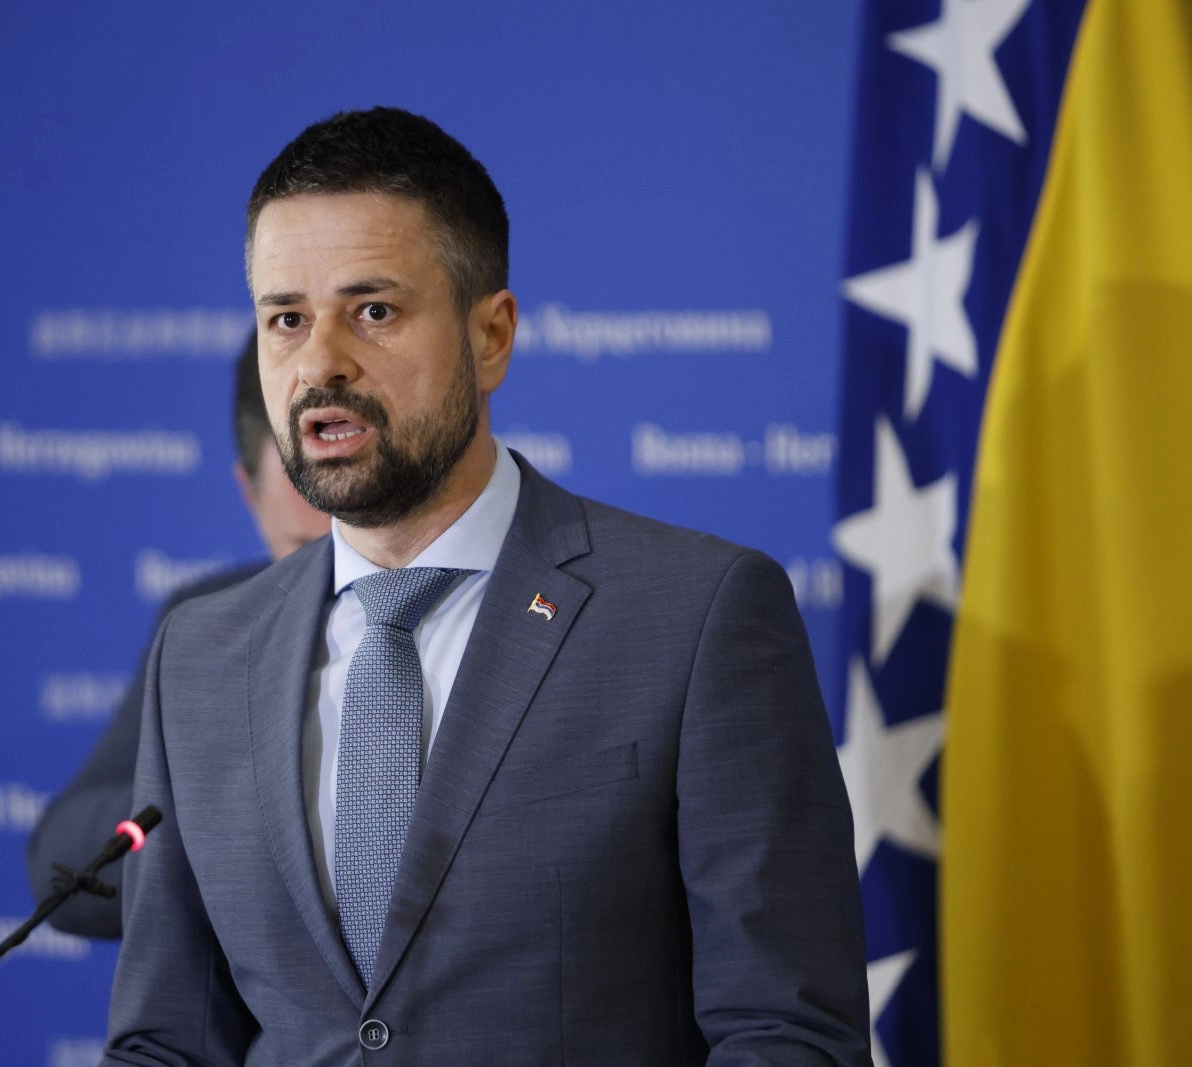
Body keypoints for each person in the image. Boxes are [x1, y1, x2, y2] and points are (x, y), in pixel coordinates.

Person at [103, 107, 870, 1065]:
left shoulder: (696, 617)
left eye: (373, 311)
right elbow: (167, 1043)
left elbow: (787, 1033)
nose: (321, 362)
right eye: (286, 319)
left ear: (493, 335)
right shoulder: (203, 654)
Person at [26, 332, 328, 937]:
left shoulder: (516, 614)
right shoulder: (212, 620)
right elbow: (63, 861)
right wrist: (236, 808)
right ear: (248, 493)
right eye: (304, 551)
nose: (343, 577)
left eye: (365, 536)